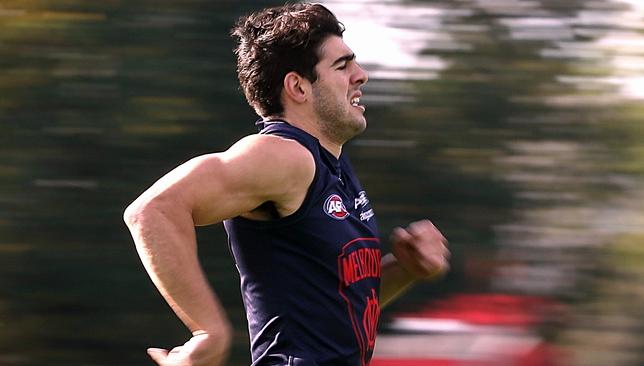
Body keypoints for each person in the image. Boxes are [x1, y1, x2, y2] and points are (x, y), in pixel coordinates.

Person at [123, 3, 450, 366]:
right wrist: (208, 331)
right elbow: (152, 210)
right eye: (342, 66)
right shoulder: (283, 155)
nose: (361, 75)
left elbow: (330, 304)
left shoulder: (331, 166)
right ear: (297, 87)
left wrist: (406, 270)